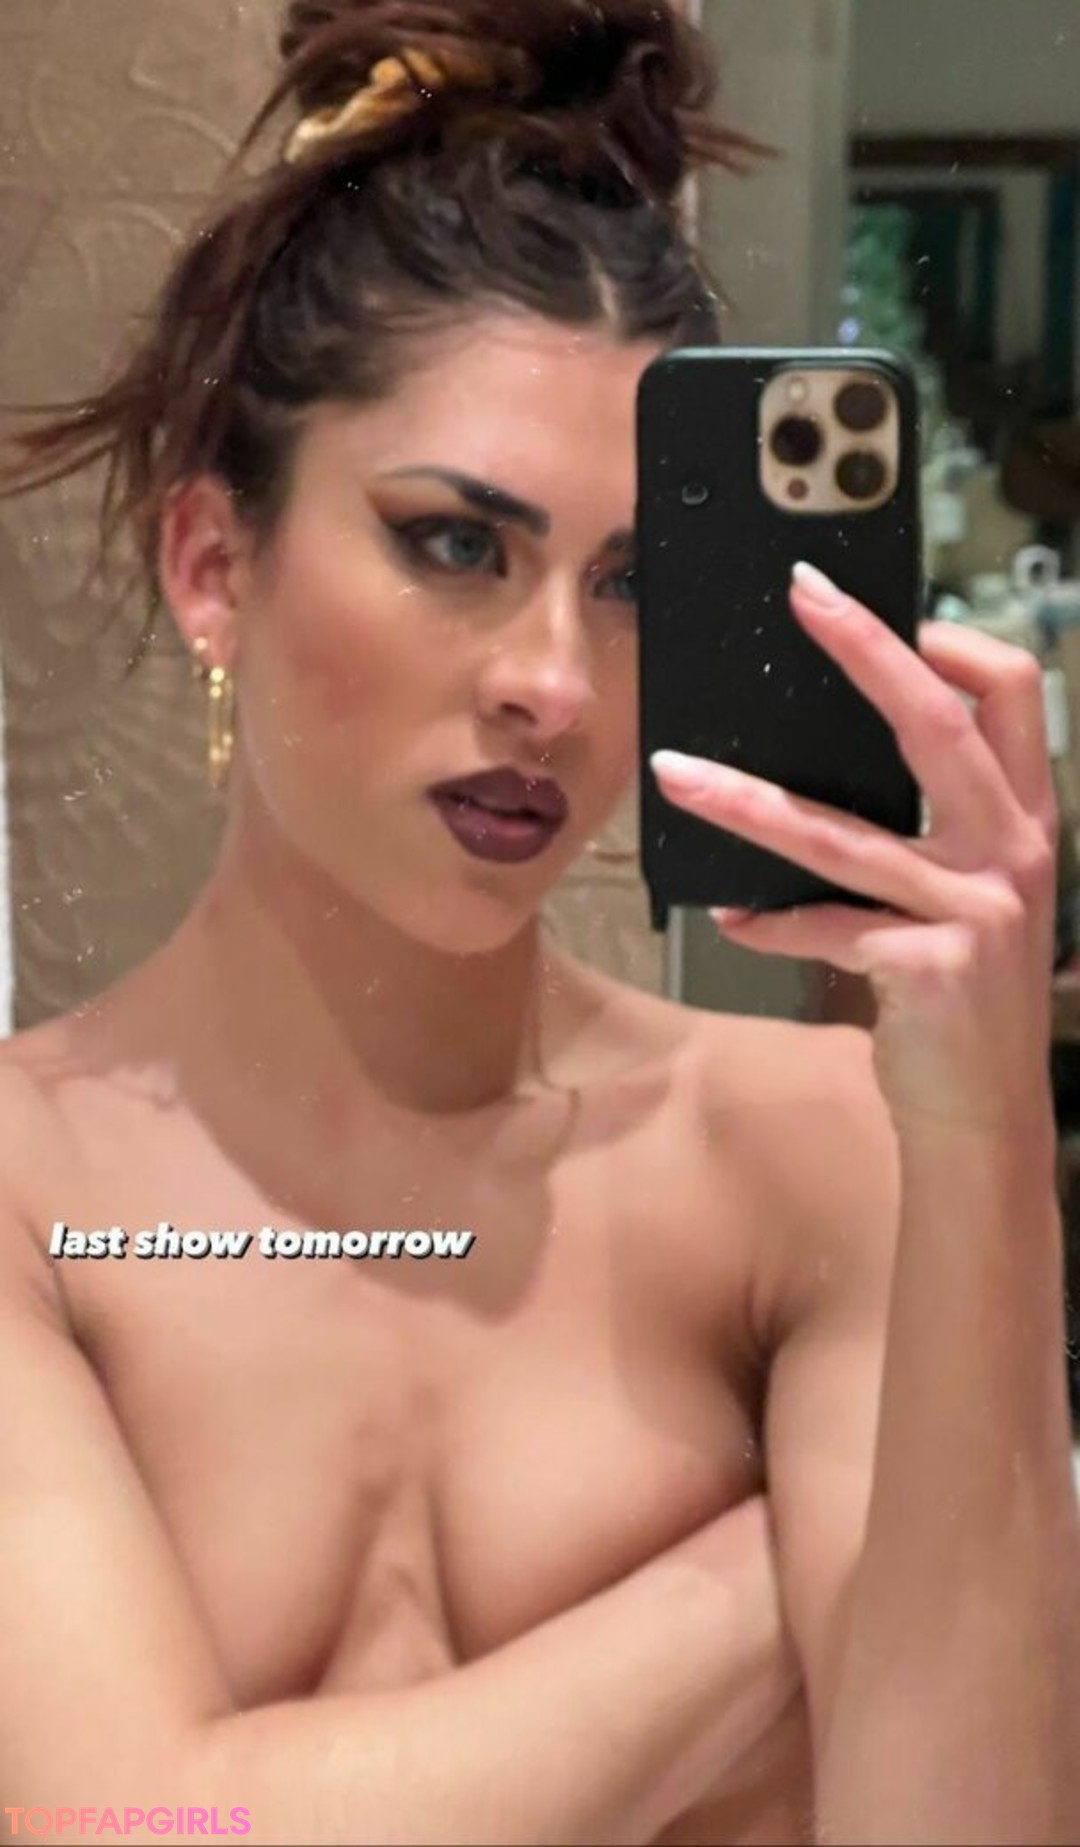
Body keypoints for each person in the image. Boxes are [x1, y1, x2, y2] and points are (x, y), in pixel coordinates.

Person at [0, 3, 1078, 1843]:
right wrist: (769, 1580)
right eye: (455, 544)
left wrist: (986, 1133)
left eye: (634, 580)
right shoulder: (33, 1196)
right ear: (213, 564)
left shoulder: (816, 1151)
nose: (555, 686)